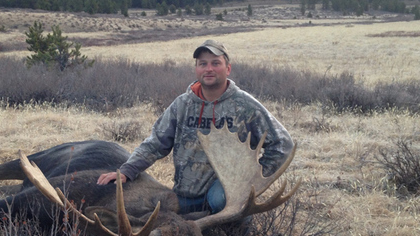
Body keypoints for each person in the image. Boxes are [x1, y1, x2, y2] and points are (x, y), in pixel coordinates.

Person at [97, 39, 293, 215]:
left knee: (219, 201)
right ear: (197, 69)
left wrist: (252, 180)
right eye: (203, 64)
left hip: (224, 195)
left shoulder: (245, 105)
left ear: (228, 68)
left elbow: (282, 145)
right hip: (186, 191)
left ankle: (236, 233)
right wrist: (127, 170)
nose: (209, 69)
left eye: (216, 63)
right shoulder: (182, 105)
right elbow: (156, 143)